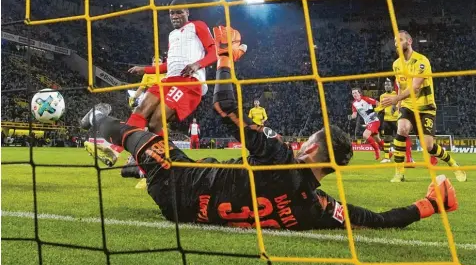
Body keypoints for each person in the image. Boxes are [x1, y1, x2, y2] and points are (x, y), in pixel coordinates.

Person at [81, 39, 458, 230]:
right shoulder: (318, 207)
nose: (303, 141)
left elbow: (223, 108)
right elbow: (377, 221)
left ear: (311, 149)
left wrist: (226, 55)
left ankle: (98, 122)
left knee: (135, 130)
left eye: (309, 138)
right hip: (191, 207)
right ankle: (134, 167)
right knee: (204, 160)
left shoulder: (278, 157)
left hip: (177, 185)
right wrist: (429, 205)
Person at [82, 0, 246, 166]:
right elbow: (169, 65)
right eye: (171, 13)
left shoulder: (197, 26)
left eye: (179, 12)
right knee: (141, 110)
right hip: (168, 80)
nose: (175, 16)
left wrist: (197, 64)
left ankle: (161, 161)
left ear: (187, 12)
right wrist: (145, 69)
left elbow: (214, 52)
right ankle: (117, 152)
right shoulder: (172, 35)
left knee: (156, 121)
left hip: (189, 82)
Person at [381, 30, 466, 182]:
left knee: (428, 146)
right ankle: (399, 173)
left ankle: (452, 163)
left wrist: (395, 99)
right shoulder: (396, 64)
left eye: (400, 40)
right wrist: (399, 104)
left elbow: (415, 88)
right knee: (402, 129)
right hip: (408, 106)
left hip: (426, 108)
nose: (396, 44)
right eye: (395, 41)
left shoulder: (422, 61)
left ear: (409, 41)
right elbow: (401, 85)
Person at [377, 79, 415, 166]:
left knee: (403, 138)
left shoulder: (396, 94)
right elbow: (381, 107)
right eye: (385, 85)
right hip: (387, 120)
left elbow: (400, 103)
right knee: (387, 139)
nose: (387, 86)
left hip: (396, 119)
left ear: (391, 86)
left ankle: (409, 157)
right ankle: (387, 157)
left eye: (388, 85)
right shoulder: (382, 96)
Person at [348, 88, 384, 160]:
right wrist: (350, 117)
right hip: (368, 123)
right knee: (377, 139)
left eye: (355, 93)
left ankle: (377, 150)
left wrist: (376, 112)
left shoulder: (366, 99)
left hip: (374, 121)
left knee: (365, 135)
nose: (354, 94)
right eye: (353, 93)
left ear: (359, 93)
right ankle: (389, 152)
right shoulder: (354, 104)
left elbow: (378, 103)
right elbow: (354, 115)